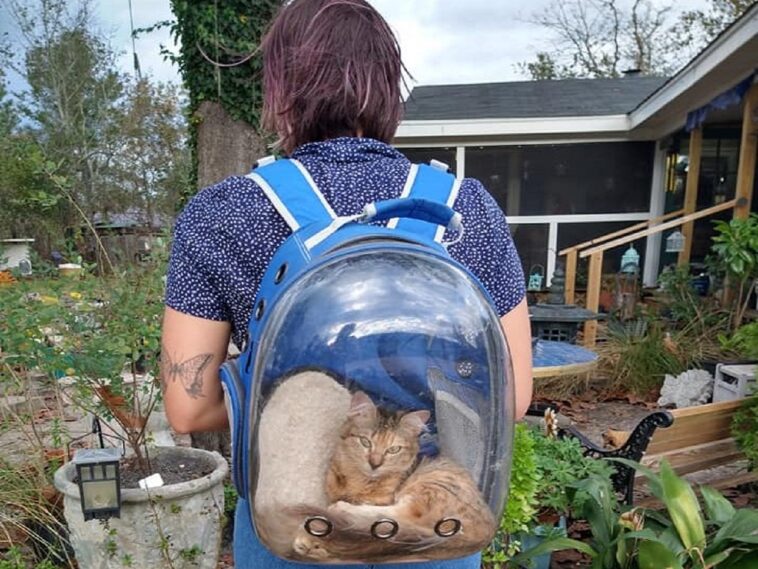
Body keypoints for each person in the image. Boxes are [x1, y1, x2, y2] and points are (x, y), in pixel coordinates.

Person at [160, 1, 533, 568]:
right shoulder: (466, 208)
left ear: (280, 90)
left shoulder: (221, 211)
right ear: (389, 89)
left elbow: (189, 410)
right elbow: (512, 397)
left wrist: (302, 408)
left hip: (291, 521)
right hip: (430, 531)